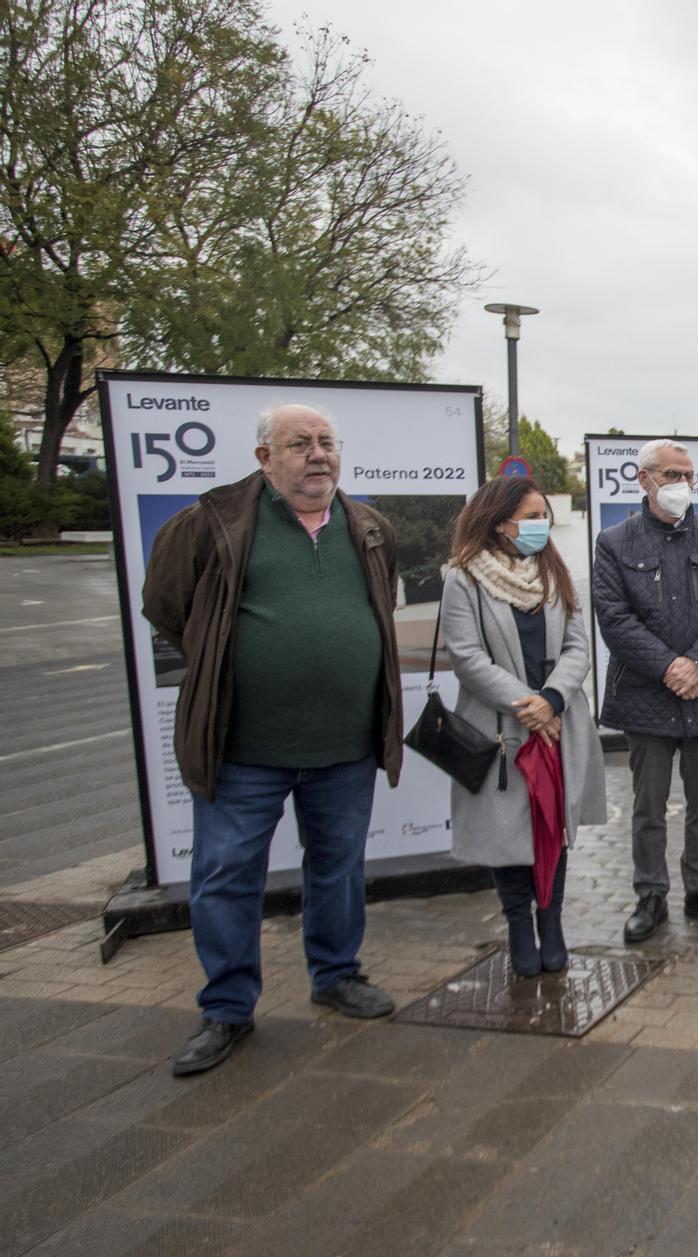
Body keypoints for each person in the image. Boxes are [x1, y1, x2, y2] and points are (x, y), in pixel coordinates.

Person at [141, 404, 403, 1076]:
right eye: (299, 444)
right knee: (226, 875)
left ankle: (336, 973)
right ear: (264, 457)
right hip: (242, 748)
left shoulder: (369, 527)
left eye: (326, 442)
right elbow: (169, 607)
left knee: (338, 866)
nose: (317, 455)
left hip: (344, 745)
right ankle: (226, 1007)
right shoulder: (212, 522)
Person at [439, 476, 608, 976]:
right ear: (498, 523)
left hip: (558, 725)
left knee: (552, 829)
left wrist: (553, 699)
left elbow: (579, 647)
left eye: (544, 516)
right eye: (531, 517)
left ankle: (551, 921)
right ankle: (518, 925)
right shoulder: (462, 578)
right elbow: (466, 657)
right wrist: (526, 704)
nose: (541, 526)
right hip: (501, 728)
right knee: (507, 835)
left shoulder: (555, 573)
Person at [594, 439, 698, 941]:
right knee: (648, 805)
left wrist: (697, 663)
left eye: (689, 476)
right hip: (646, 694)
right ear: (643, 479)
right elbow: (614, 619)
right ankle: (651, 895)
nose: (682, 485)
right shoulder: (614, 542)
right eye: (672, 475)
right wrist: (669, 667)